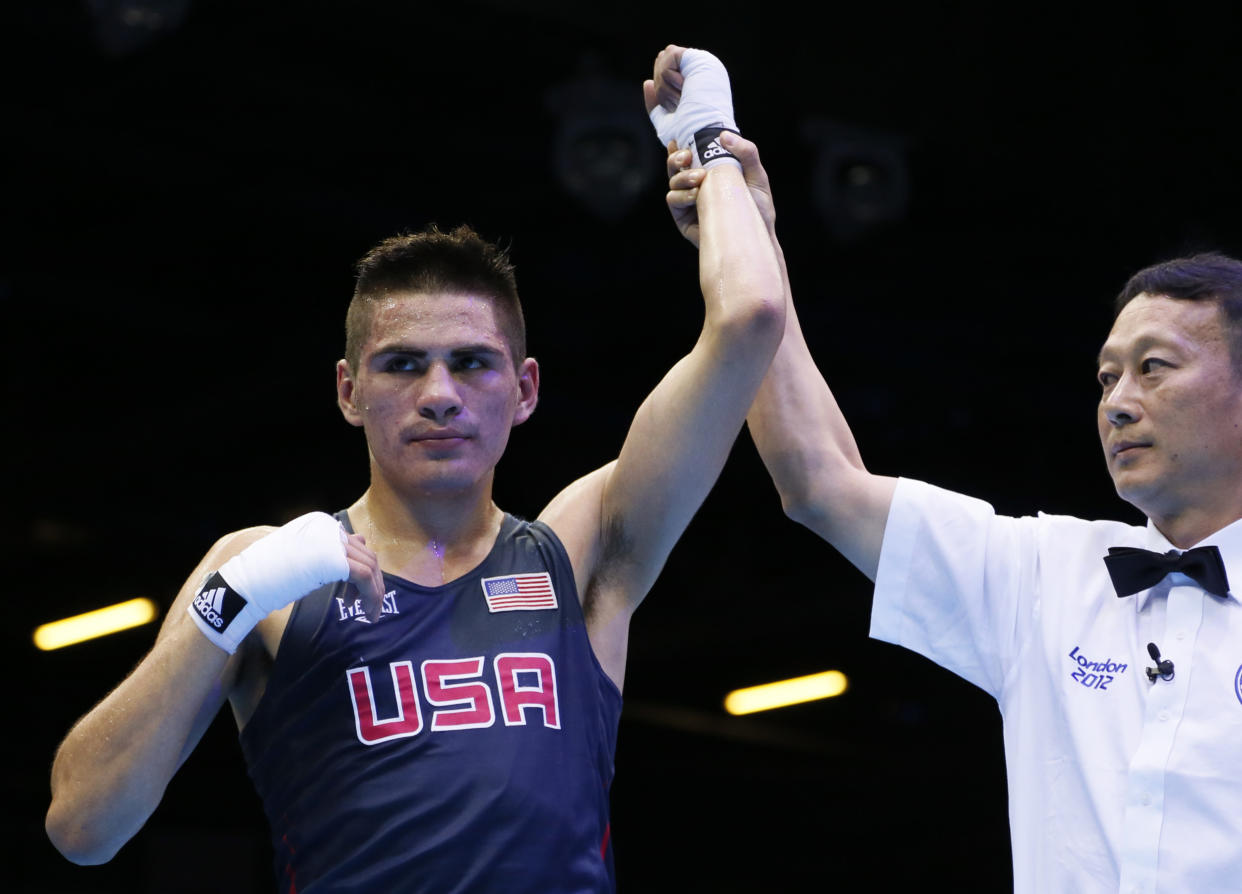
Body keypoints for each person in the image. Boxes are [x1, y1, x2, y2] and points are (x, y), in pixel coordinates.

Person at [44, 47, 783, 893]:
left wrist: (715, 152)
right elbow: (82, 828)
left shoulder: (579, 554)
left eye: (472, 363)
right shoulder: (260, 577)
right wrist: (230, 601)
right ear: (349, 391)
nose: (440, 396)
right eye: (402, 366)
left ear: (525, 388)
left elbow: (751, 317)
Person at [656, 50, 1242, 894]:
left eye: (1155, 368)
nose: (1117, 402)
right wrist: (743, 224)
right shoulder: (1045, 575)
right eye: (1107, 376)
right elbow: (820, 480)